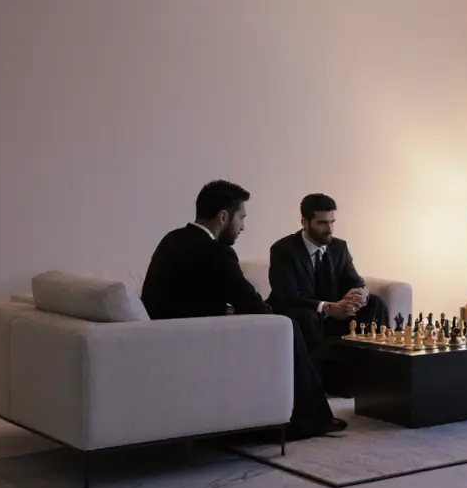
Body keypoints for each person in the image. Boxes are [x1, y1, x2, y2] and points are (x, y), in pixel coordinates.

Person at [141, 180, 347, 440]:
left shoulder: (173, 239)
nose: (243, 227)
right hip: (197, 338)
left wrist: (221, 309)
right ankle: (312, 419)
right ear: (224, 216)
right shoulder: (217, 252)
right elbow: (250, 303)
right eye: (241, 218)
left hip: (168, 334)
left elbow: (175, 296)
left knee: (286, 320)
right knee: (288, 325)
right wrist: (267, 312)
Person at [267, 193, 390, 396]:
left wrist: (360, 294)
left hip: (335, 313)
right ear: (304, 222)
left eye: (332, 222)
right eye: (322, 223)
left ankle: (373, 382)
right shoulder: (283, 250)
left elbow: (355, 280)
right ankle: (314, 390)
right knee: (307, 317)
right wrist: (328, 308)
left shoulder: (338, 247)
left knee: (375, 304)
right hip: (301, 313)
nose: (330, 229)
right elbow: (287, 295)